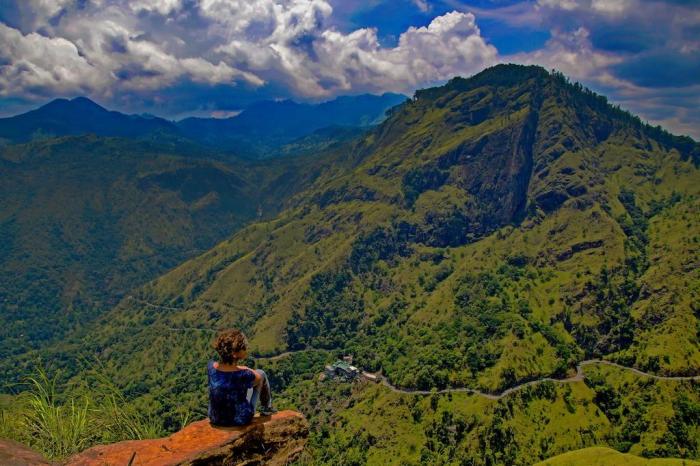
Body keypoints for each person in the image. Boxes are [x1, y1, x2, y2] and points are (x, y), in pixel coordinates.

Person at [208, 328, 276, 426]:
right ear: (235, 354)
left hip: (215, 418)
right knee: (261, 373)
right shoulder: (243, 374)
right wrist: (245, 368)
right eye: (243, 347)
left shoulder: (211, 367)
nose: (246, 349)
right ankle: (267, 408)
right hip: (239, 419)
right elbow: (258, 378)